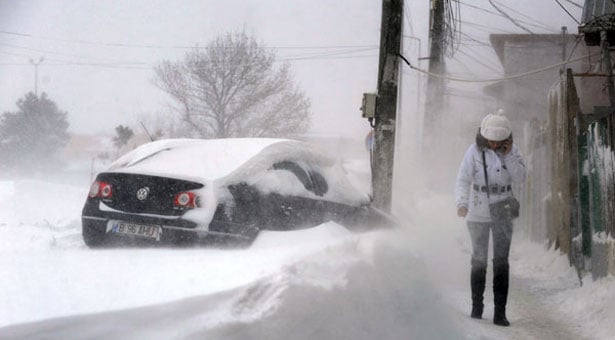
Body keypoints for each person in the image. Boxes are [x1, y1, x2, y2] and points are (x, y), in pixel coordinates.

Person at [454, 110, 526, 327]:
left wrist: (510, 154)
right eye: (491, 141)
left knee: (501, 262)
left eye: (499, 142)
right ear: (485, 137)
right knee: (479, 260)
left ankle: (500, 313)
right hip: (477, 211)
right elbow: (463, 179)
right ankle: (477, 307)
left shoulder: (513, 152)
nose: (495, 146)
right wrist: (462, 203)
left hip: (502, 209)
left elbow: (521, 178)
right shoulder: (473, 152)